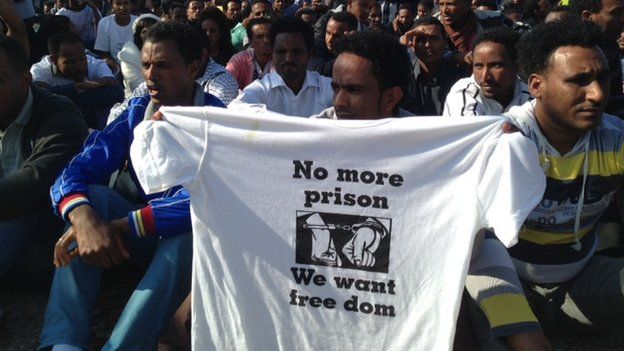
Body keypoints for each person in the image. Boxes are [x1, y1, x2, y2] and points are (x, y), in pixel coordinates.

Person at [38, 22, 226, 351]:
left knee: (187, 236)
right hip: (138, 239)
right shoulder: (137, 113)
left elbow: (202, 202)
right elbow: (79, 168)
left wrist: (118, 226)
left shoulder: (219, 122)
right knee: (91, 199)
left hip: (182, 250)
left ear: (193, 67)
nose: (151, 75)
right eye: (147, 65)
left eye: (164, 65)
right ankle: (63, 341)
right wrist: (83, 220)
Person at [468, 18, 624, 350]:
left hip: (581, 284)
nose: (597, 94)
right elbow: (470, 246)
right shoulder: (500, 140)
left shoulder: (615, 140)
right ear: (537, 86)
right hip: (507, 283)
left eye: (603, 78)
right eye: (579, 81)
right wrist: (520, 327)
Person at [0, 35, 87, 284]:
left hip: (41, 223)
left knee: (17, 216)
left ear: (24, 81)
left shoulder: (60, 116)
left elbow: (35, 183)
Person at [229, 16, 333, 116]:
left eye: (296, 52)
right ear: (272, 53)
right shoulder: (262, 88)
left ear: (309, 55)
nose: (289, 58)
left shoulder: (325, 87)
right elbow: (234, 110)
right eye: (281, 52)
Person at [30, 31, 124, 129]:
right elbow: (37, 98)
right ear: (53, 59)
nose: (79, 66)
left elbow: (117, 93)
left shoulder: (94, 64)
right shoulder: (40, 71)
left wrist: (63, 98)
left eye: (82, 59)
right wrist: (79, 86)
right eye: (71, 62)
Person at [313, 30, 412, 119]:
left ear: (390, 98)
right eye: (335, 89)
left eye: (353, 90)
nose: (339, 102)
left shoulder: (420, 137)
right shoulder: (314, 133)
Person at [443, 26, 530, 116]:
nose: (485, 77)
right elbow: (472, 129)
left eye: (496, 66)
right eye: (478, 66)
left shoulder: (530, 96)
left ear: (516, 67)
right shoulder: (464, 93)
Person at [401, 17, 467, 116]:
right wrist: (401, 48)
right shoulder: (403, 77)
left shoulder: (459, 79)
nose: (427, 45)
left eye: (434, 38)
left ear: (445, 42)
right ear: (412, 45)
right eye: (421, 39)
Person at [570, 0, 624, 115]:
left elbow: (616, 100)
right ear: (588, 17)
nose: (622, 19)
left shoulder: (610, 44)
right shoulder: (570, 54)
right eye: (616, 13)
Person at [436, 0, 511, 68]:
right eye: (441, 4)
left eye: (451, 4)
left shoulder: (493, 20)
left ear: (468, 4)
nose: (444, 10)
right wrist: (453, 56)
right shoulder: (432, 26)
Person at [118, 13, 161, 97]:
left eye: (153, 30)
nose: (149, 34)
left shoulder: (166, 50)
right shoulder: (127, 54)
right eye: (144, 31)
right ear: (138, 36)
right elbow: (137, 86)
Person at [226, 17, 273, 90]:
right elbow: (226, 83)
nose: (266, 40)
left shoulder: (282, 59)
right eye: (260, 37)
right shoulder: (240, 60)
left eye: (269, 35)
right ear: (250, 40)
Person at [308, 11, 356, 77]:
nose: (330, 40)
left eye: (337, 36)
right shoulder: (316, 48)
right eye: (328, 33)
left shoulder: (358, 53)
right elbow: (319, 73)